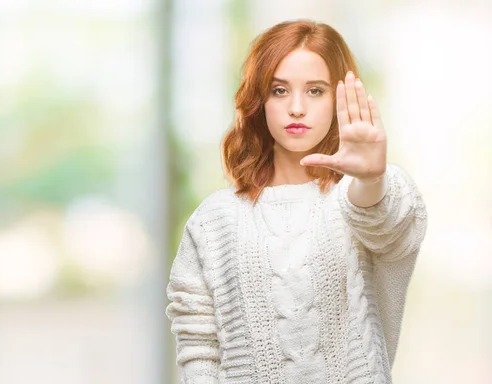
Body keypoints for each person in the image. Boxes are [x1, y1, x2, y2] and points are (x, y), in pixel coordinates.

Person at [165, 19, 428, 383]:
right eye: (279, 90)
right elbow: (198, 344)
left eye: (316, 91)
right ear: (259, 100)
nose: (297, 108)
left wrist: (369, 178)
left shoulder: (369, 194)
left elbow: (382, 221)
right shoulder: (213, 221)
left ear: (338, 97)